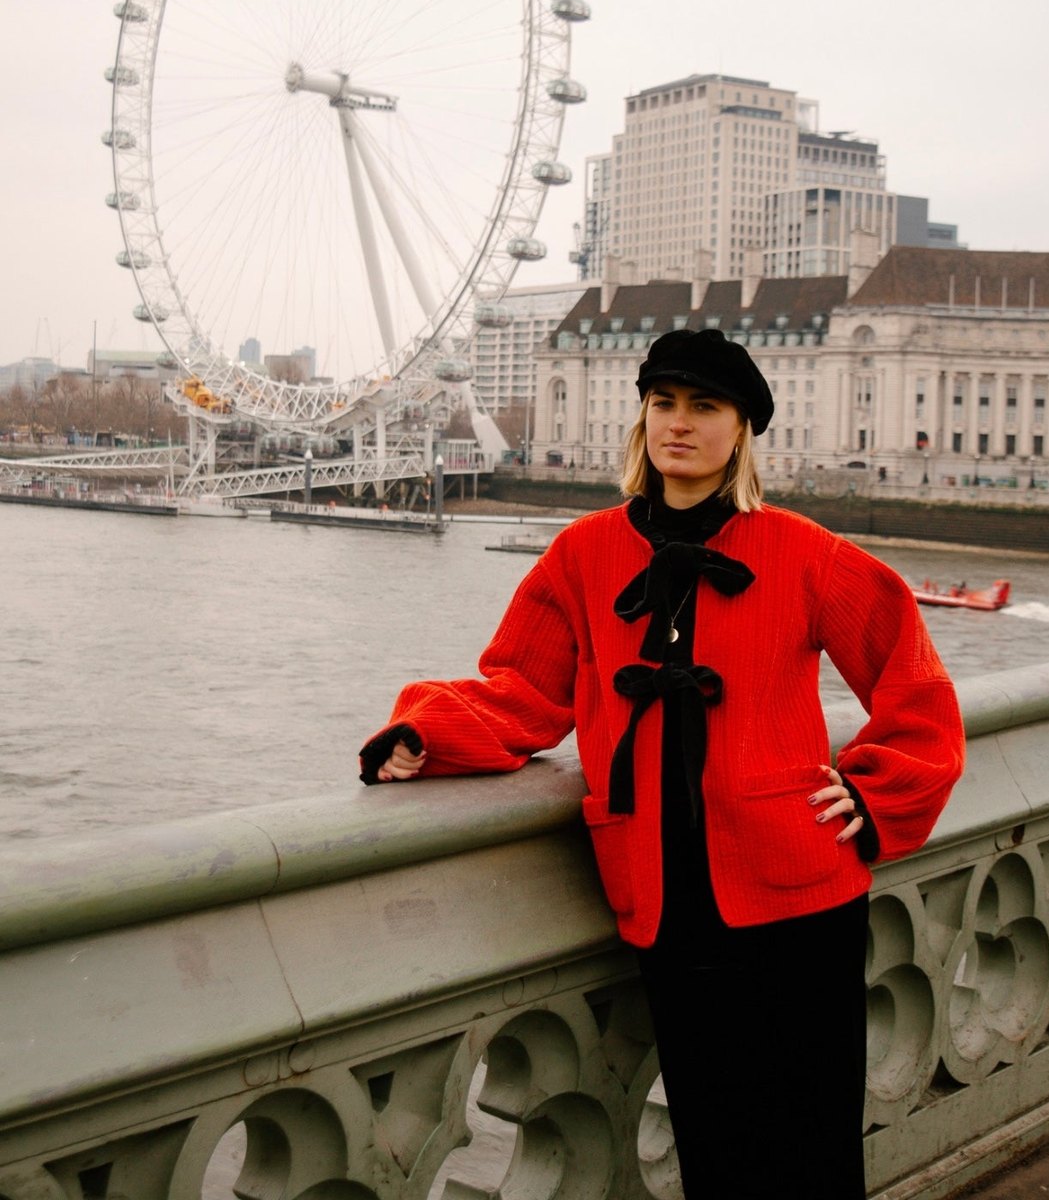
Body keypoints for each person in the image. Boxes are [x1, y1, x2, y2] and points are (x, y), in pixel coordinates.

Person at [359, 328, 966, 1199]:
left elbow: (916, 684)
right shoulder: (583, 554)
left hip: (800, 887)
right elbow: (523, 689)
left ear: (742, 428)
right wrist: (425, 736)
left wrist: (877, 796)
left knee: (813, 1141)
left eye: (704, 406)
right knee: (714, 1139)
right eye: (663, 403)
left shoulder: (806, 553)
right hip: (662, 893)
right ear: (641, 418)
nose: (679, 423)